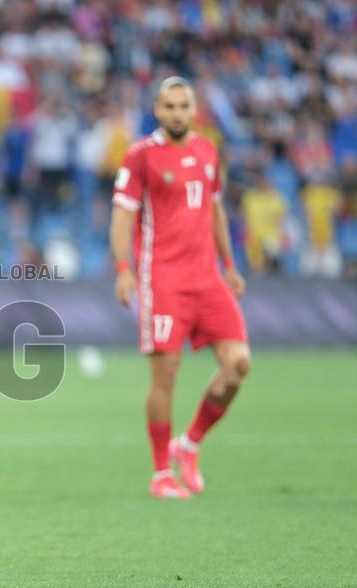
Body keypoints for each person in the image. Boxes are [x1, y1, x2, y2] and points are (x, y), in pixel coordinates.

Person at [110, 77, 251, 499]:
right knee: (166, 375)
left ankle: (188, 446)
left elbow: (215, 210)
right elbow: (121, 215)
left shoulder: (208, 150)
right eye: (169, 106)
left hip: (207, 278)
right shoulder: (140, 157)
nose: (177, 113)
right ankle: (160, 474)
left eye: (183, 106)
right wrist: (123, 269)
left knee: (238, 364)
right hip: (164, 279)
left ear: (194, 109)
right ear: (157, 109)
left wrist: (229, 264)